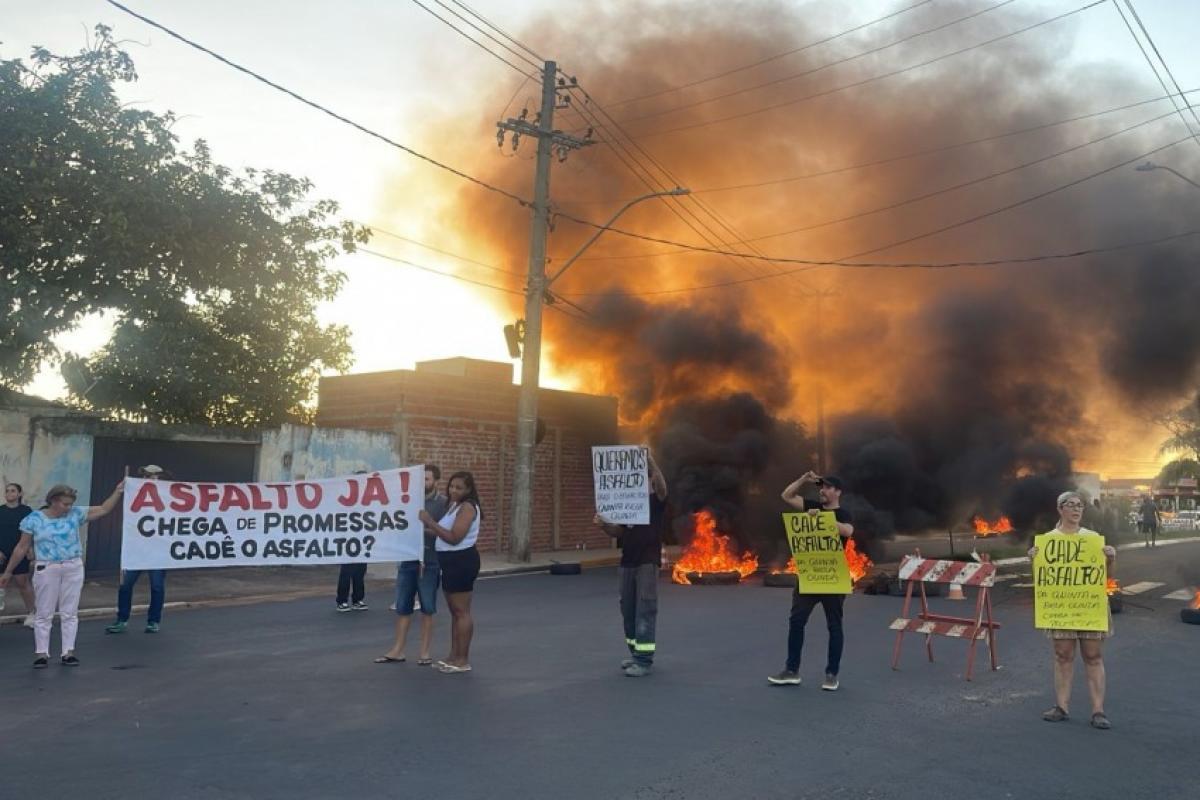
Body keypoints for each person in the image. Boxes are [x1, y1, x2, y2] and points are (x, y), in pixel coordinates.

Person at [0, 481, 124, 667]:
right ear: (53, 501)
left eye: (70, 504)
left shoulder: (75, 513)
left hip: (72, 566)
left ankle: (68, 652)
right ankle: (41, 653)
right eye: (65, 504)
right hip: (47, 567)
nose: (68, 507)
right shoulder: (34, 519)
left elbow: (104, 509)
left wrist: (118, 491)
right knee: (44, 611)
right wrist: (8, 571)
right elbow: (22, 547)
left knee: (70, 611)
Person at [1028, 491, 1117, 730]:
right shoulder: (1047, 541)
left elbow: (1107, 577)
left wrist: (1111, 559)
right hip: (1061, 607)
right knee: (1062, 655)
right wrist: (1033, 560)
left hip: (1089, 607)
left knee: (1093, 656)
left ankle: (1098, 711)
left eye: (1080, 505)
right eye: (1071, 505)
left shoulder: (1092, 539)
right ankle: (1061, 707)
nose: (1077, 509)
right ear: (1060, 509)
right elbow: (1042, 579)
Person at [768, 471, 854, 691]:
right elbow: (787, 496)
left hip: (832, 578)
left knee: (834, 626)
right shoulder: (811, 506)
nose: (822, 491)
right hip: (809, 576)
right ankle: (791, 670)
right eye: (821, 487)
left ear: (838, 492)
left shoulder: (843, 513)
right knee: (796, 622)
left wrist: (823, 520)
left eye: (827, 487)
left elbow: (848, 531)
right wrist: (803, 480)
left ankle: (831, 674)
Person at [592, 454, 668, 677]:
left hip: (647, 562)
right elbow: (619, 532)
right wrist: (604, 525)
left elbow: (662, 488)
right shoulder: (627, 505)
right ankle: (635, 653)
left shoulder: (655, 502)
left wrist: (650, 460)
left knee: (645, 609)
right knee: (628, 610)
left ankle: (644, 660)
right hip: (627, 561)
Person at [375, 464, 447, 665]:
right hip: (407, 559)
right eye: (420, 479)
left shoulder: (443, 504)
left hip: (430, 562)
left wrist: (423, 527)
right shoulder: (407, 501)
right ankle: (398, 650)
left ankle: (424, 653)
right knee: (403, 607)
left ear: (436, 481)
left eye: (427, 479)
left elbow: (445, 533)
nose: (423, 483)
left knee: (427, 608)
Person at [418, 471, 481, 674]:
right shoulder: (454, 506)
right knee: (455, 612)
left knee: (462, 612)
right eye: (452, 486)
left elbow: (454, 537)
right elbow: (441, 533)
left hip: (461, 562)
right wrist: (420, 529)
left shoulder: (468, 507)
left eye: (459, 488)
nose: (453, 490)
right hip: (449, 562)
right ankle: (454, 656)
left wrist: (430, 522)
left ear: (468, 490)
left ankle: (463, 660)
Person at [106, 465, 169, 634]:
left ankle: (153, 621)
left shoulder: (168, 495)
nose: (149, 478)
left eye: (153, 476)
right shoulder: (135, 492)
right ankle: (122, 619)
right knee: (125, 585)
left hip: (158, 550)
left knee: (157, 587)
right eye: (146, 475)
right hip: (137, 549)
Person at [0, 483, 36, 627]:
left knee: (23, 583)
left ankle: (32, 614)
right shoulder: (0, 510)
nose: (9, 493)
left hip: (20, 553)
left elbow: (32, 531)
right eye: (7, 491)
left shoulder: (27, 511)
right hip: (2, 553)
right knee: (1, 583)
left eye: (13, 491)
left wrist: (30, 548)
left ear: (19, 494)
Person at [335, 470, 371, 612]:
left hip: (363, 539)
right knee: (347, 571)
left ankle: (358, 599)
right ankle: (342, 600)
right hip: (348, 539)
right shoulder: (346, 498)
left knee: (360, 572)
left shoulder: (370, 499)